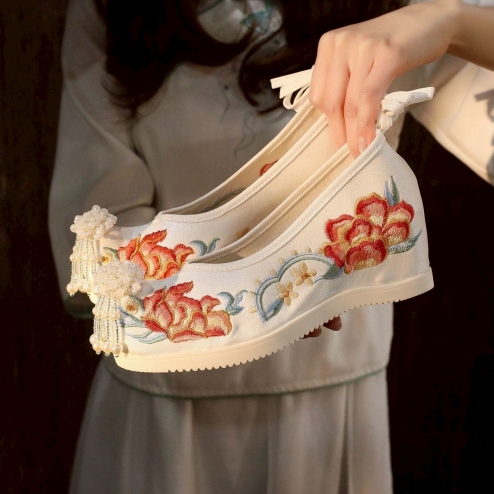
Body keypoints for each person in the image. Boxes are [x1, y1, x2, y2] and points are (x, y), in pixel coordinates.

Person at [49, 0, 494, 492]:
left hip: (331, 390)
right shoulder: (109, 11)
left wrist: (453, 21)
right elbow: (101, 223)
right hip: (166, 398)